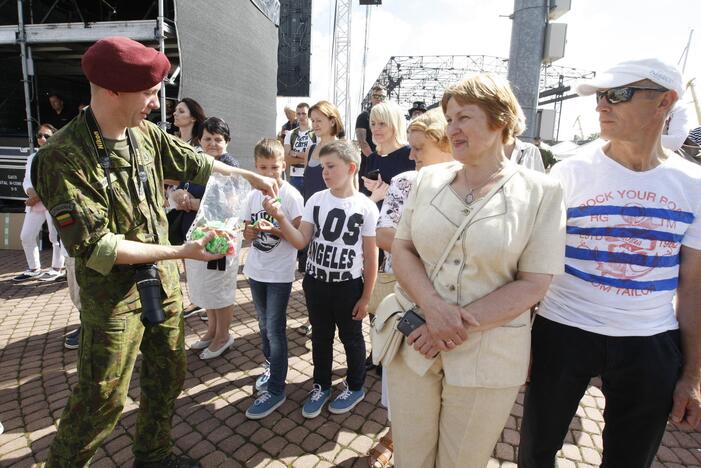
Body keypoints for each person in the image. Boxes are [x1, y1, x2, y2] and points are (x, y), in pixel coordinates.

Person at [32, 36, 277, 468]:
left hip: (160, 286)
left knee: (167, 375)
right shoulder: (62, 156)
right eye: (147, 91)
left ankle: (154, 455)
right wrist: (181, 250)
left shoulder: (144, 135)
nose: (156, 100)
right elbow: (97, 246)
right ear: (112, 90)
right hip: (114, 299)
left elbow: (194, 161)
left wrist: (246, 176)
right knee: (102, 399)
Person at [519, 58, 701, 468]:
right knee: (535, 452)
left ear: (664, 102)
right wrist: (525, 342)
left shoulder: (693, 186)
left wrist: (691, 375)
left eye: (617, 95)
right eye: (600, 96)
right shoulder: (569, 172)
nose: (602, 106)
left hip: (650, 342)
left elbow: (693, 287)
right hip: (562, 331)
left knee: (630, 460)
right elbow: (536, 261)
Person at [387, 73, 565, 468]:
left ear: (500, 120)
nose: (451, 129)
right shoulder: (427, 179)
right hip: (414, 343)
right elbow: (402, 247)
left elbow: (535, 282)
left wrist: (448, 327)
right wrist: (432, 308)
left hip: (488, 355)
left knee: (462, 461)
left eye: (463, 117)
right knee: (410, 458)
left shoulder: (542, 192)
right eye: (448, 119)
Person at [263, 140, 379, 419]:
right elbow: (302, 241)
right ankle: (322, 385)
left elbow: (371, 256)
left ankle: (354, 385)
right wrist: (279, 217)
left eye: (331, 166)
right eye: (322, 166)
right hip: (316, 283)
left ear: (351, 168)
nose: (324, 172)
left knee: (351, 338)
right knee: (321, 337)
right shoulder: (315, 200)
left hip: (348, 286)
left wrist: (366, 297)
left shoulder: (366, 207)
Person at [369, 108, 454, 468]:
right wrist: (435, 248)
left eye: (420, 148)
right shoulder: (406, 180)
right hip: (403, 289)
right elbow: (384, 234)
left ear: (446, 146)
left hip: (452, 297)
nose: (412, 154)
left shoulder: (467, 182)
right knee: (400, 368)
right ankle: (394, 432)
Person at [242, 138, 304, 419]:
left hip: (279, 273)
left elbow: (298, 236)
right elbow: (246, 232)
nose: (268, 174)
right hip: (255, 270)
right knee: (263, 326)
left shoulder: (291, 196)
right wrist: (251, 233)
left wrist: (276, 225)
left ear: (284, 166)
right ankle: (271, 367)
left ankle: (277, 389)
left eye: (274, 167)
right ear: (255, 168)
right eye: (263, 168)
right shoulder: (252, 194)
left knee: (275, 329)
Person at [174, 117, 241, 360]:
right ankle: (212, 330)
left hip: (219, 237)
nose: (212, 143)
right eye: (207, 139)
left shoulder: (230, 165)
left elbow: (230, 205)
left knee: (220, 287)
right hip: (197, 235)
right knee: (206, 285)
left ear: (227, 142)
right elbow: (180, 186)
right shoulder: (197, 162)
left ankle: (223, 334)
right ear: (200, 140)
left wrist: (193, 203)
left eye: (218, 139)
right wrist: (180, 193)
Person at [13, 124, 65, 283]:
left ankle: (57, 268)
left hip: (52, 202)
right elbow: (26, 180)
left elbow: (56, 181)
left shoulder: (58, 156)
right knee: (26, 236)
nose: (42, 138)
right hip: (35, 204)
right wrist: (30, 192)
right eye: (39, 135)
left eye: (46, 136)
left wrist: (37, 196)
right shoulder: (31, 157)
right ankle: (34, 268)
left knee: (55, 237)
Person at [360, 100, 415, 205]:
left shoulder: (411, 155)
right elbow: (365, 197)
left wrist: (387, 191)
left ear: (395, 124)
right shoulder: (372, 158)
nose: (376, 128)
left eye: (382, 123)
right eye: (373, 124)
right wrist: (374, 193)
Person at [284, 102, 315, 193]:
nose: (301, 116)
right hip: (295, 177)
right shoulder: (290, 134)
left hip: (311, 176)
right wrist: (307, 158)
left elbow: (316, 156)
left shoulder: (316, 134)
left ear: (309, 114)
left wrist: (294, 153)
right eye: (298, 114)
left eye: (304, 113)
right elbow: (287, 159)